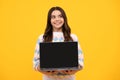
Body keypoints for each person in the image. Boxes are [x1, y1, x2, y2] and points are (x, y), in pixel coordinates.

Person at [33, 6, 84, 80]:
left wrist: (72, 71)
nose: (57, 19)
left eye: (60, 16)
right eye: (53, 17)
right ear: (49, 20)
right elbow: (35, 62)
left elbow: (80, 61)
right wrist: (45, 71)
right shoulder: (42, 38)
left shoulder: (73, 37)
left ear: (64, 19)